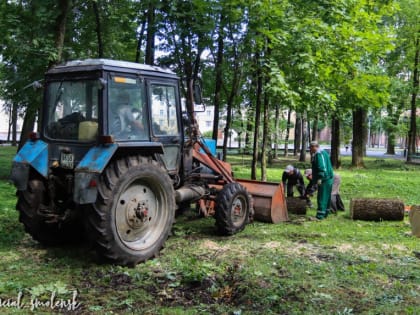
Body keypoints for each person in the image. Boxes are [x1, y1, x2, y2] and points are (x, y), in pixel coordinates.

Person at [308, 141, 334, 220]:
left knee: (322, 197)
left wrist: (320, 178)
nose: (310, 150)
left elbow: (322, 167)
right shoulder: (324, 152)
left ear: (314, 147)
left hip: (324, 179)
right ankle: (325, 213)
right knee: (327, 196)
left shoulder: (319, 154)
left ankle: (320, 216)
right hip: (328, 178)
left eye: (310, 148)